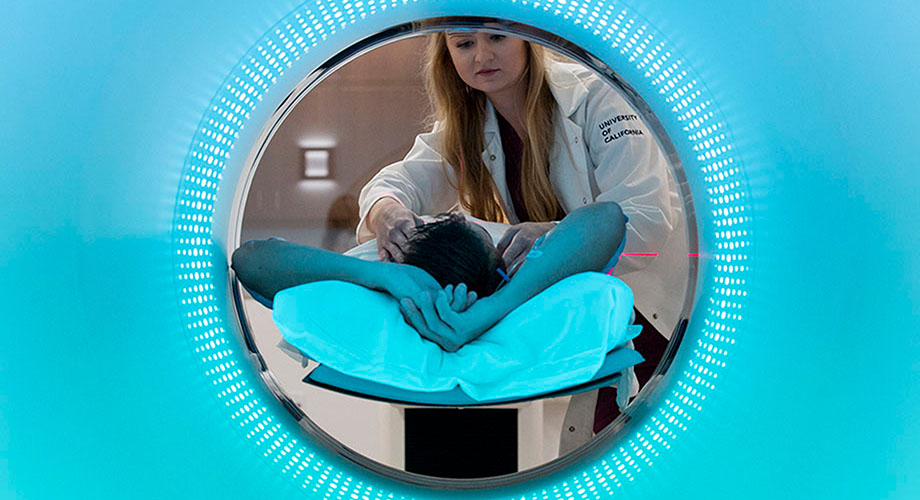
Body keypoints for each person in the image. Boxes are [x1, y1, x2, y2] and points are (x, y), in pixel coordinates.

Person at [355, 21, 688, 448]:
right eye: (464, 44)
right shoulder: (470, 125)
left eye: (497, 37)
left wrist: (553, 235)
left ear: (529, 40)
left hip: (658, 316)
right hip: (594, 326)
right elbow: (396, 183)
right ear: (447, 55)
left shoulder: (599, 97)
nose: (481, 56)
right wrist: (386, 213)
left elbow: (645, 221)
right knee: (604, 449)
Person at [232, 202, 626, 352]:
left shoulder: (507, 294)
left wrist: (490, 309)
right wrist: (380, 274)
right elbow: (607, 217)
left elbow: (250, 258)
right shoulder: (385, 279)